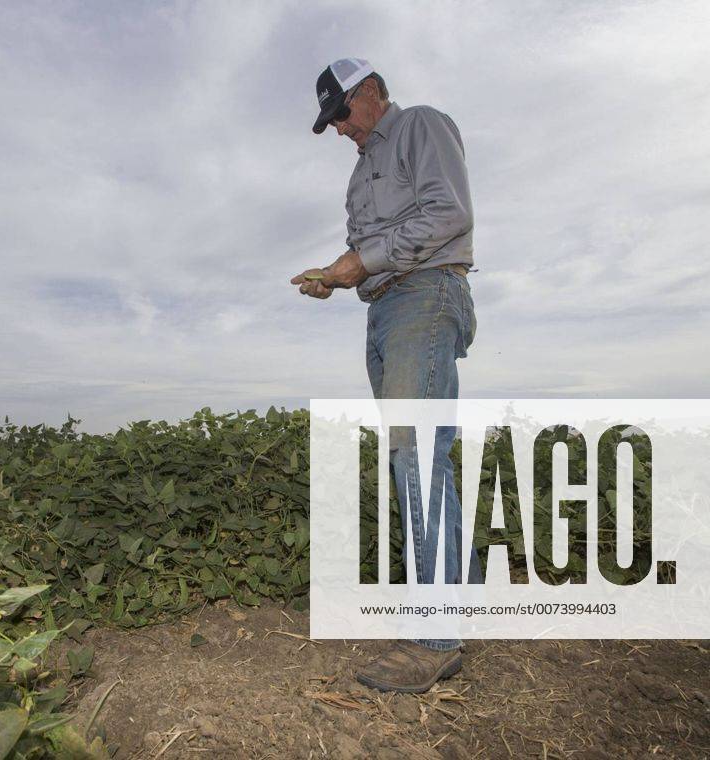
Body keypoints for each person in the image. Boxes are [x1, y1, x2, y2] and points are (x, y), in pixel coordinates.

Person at [291, 58, 478, 693]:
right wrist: (337, 278)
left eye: (342, 112)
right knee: (416, 454)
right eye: (331, 121)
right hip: (386, 309)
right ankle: (459, 601)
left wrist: (361, 261)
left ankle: (436, 637)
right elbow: (367, 260)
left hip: (427, 294)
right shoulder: (358, 176)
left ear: (370, 91)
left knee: (416, 454)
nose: (340, 128)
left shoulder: (420, 125)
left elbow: (448, 214)